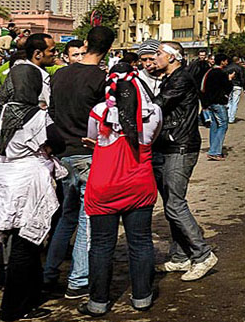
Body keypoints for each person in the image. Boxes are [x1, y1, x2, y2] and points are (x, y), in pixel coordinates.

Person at [0, 34, 61, 321]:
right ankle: (13, 307)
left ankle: (29, 298)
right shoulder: (35, 116)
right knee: (26, 244)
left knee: (19, 242)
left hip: (5, 174)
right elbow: (56, 142)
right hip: (29, 178)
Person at [79, 64, 160, 316]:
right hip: (140, 182)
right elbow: (152, 139)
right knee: (141, 241)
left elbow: (93, 139)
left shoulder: (99, 111)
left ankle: (98, 302)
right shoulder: (153, 111)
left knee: (102, 244)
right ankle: (142, 297)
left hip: (104, 184)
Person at [42, 26, 114, 300]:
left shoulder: (60, 74)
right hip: (87, 153)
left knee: (66, 216)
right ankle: (79, 279)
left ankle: (50, 272)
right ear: (108, 48)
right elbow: (104, 119)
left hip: (62, 154)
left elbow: (53, 112)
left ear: (85, 43)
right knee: (86, 218)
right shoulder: (101, 79)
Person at [151, 42, 217, 280]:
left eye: (158, 54)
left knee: (175, 203)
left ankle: (203, 255)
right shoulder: (169, 79)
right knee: (170, 201)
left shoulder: (180, 80)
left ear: (172, 57)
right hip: (167, 144)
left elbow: (158, 106)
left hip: (181, 145)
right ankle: (181, 257)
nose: (154, 58)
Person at [201, 54, 233, 161]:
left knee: (214, 125)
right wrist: (229, 79)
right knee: (223, 125)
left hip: (209, 102)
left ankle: (213, 147)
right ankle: (215, 151)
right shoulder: (221, 73)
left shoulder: (209, 72)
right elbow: (227, 87)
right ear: (223, 61)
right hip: (218, 102)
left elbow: (203, 87)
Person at [224, 56, 245, 124]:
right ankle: (232, 118)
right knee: (235, 102)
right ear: (238, 60)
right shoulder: (240, 68)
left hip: (229, 85)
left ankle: (228, 116)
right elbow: (242, 78)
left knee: (229, 101)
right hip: (237, 86)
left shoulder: (227, 67)